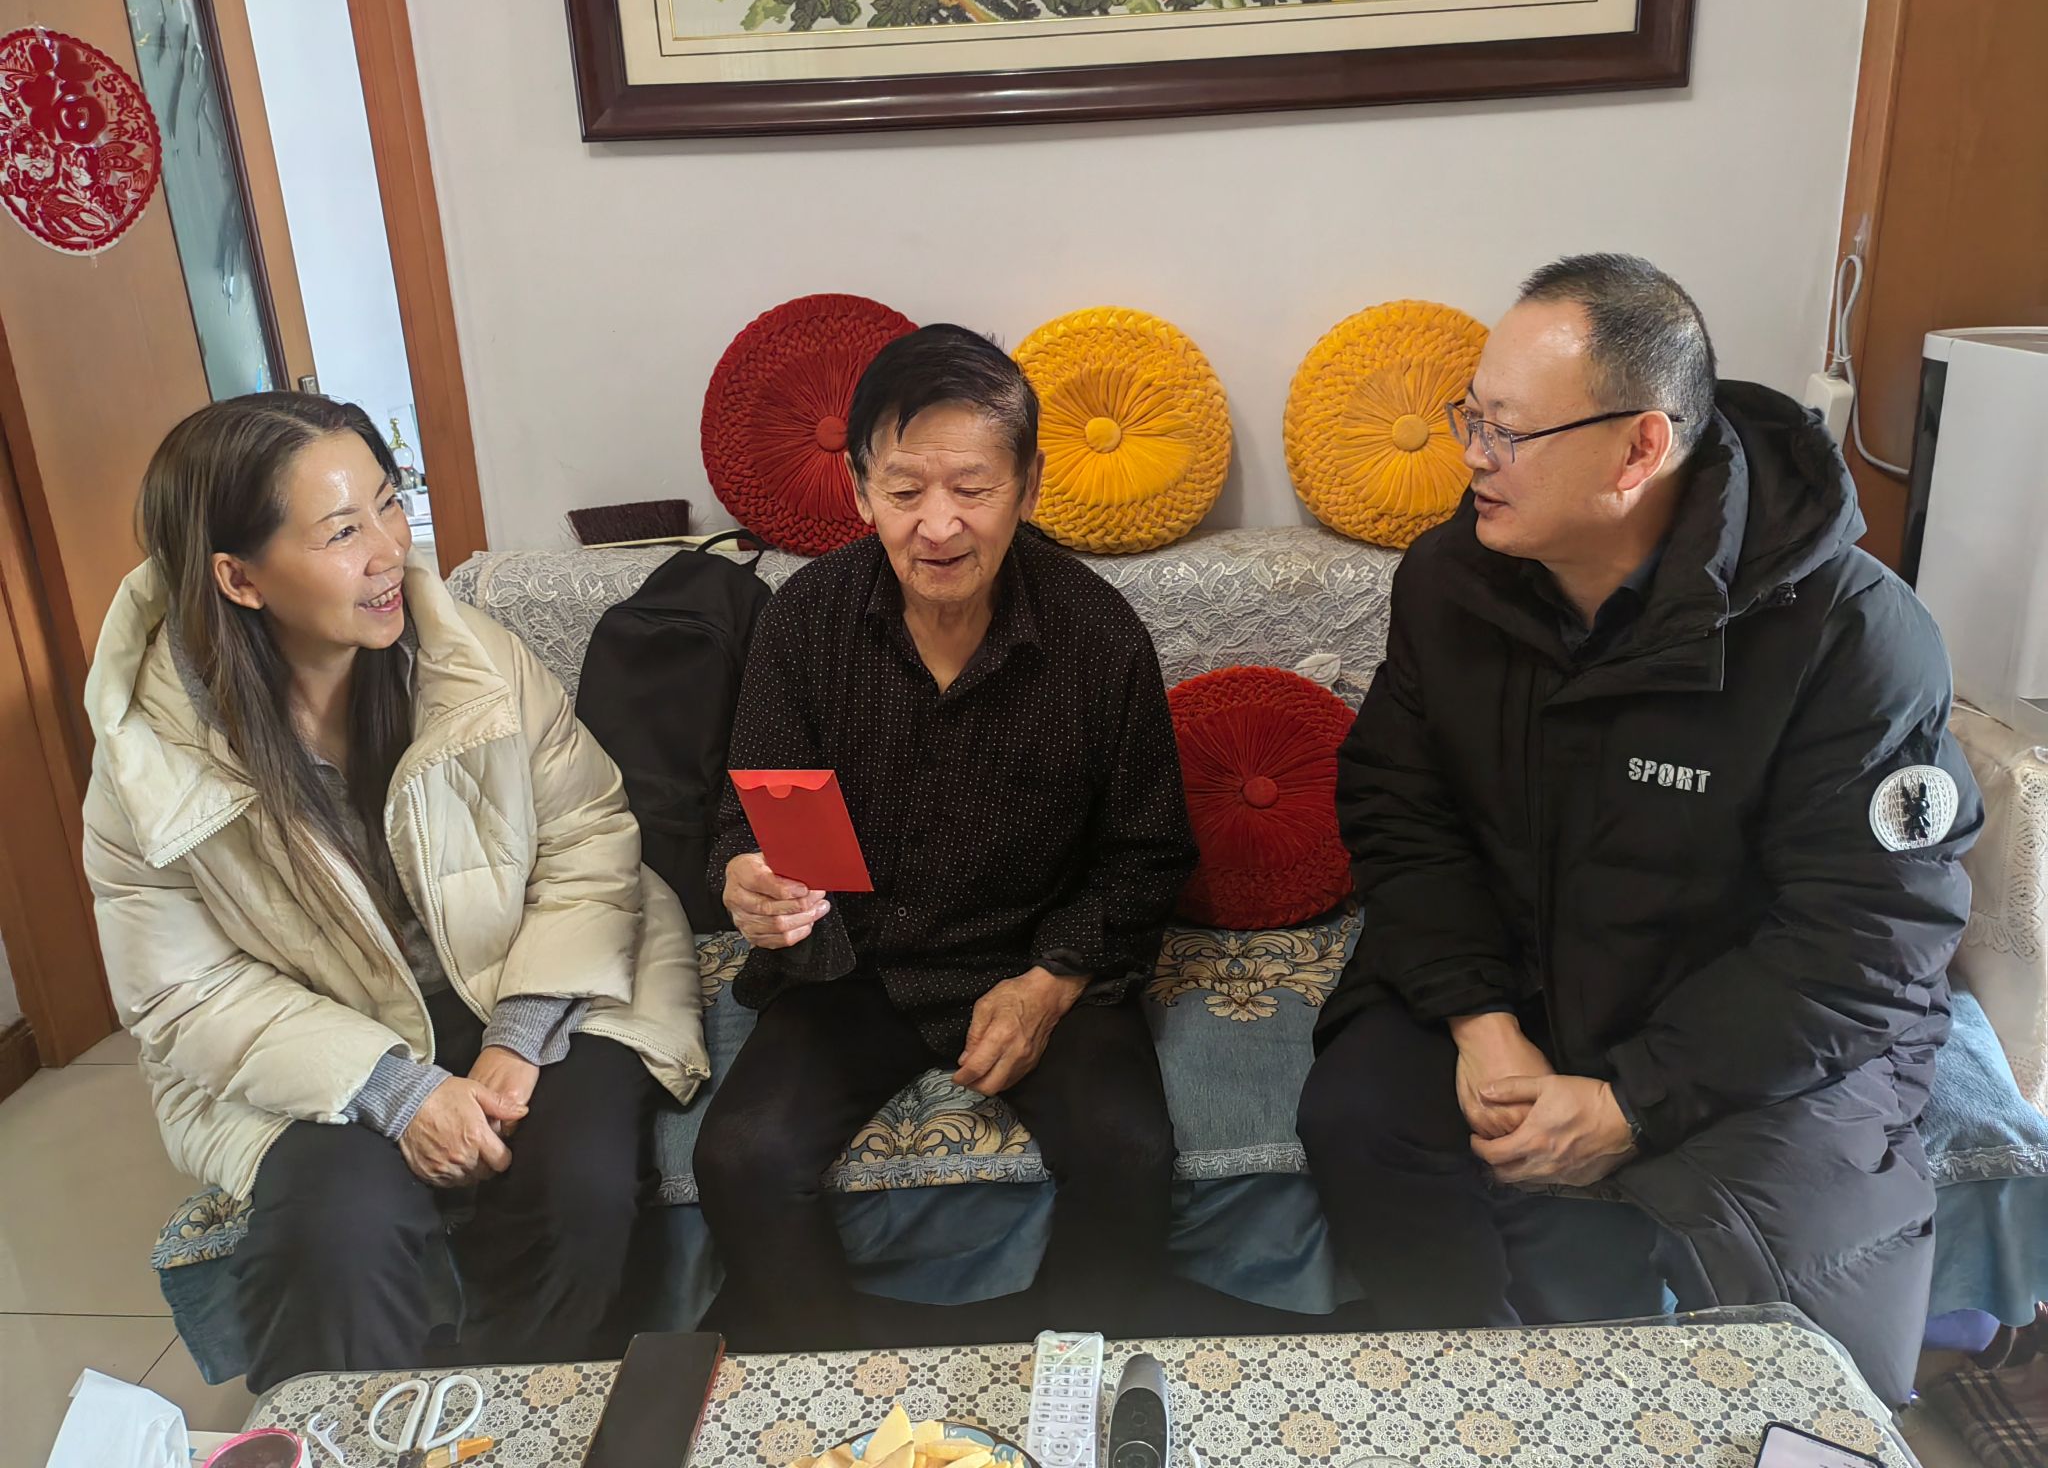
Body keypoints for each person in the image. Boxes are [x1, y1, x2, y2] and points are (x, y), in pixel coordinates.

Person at [1296, 253, 1980, 1405]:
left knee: (1798, 1288)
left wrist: (1630, 1102)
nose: (1472, 456)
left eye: (1507, 431)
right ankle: (1485, 1406)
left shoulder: (1850, 636)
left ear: (1637, 450)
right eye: (1471, 417)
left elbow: (1868, 934)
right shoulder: (1448, 581)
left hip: (1740, 1015)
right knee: (1359, 1113)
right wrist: (1480, 1024)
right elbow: (1398, 810)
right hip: (1519, 966)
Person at [81, 393, 708, 1390]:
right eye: (341, 532)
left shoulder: (471, 655)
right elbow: (181, 990)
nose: (389, 552)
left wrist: (521, 1031)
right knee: (335, 1228)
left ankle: (522, 1429)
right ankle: (343, 1445)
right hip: (320, 1036)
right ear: (239, 577)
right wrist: (395, 1090)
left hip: (523, 973)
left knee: (580, 1183)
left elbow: (590, 834)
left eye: (388, 504)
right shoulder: (148, 758)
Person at [697, 324, 1197, 1348]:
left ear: (1029, 486)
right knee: (740, 1156)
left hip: (1032, 955)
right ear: (859, 490)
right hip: (857, 963)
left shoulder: (1097, 636)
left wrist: (1050, 983)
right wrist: (747, 877)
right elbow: (748, 820)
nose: (937, 525)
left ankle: (1062, 1397)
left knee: (1130, 1154)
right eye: (904, 489)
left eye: (972, 487)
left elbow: (1147, 852)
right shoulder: (805, 622)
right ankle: (840, 1392)